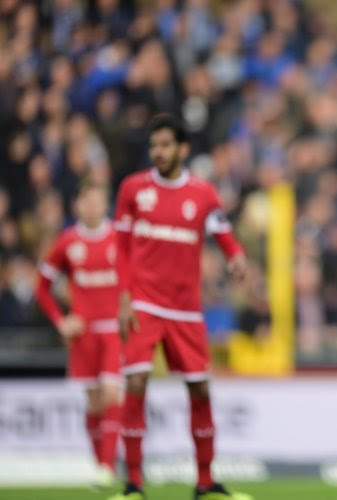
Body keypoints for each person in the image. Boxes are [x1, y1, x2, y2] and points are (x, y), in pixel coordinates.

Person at [110, 114, 252, 500]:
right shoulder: (133, 190)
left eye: (165, 145)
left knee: (201, 391)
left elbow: (224, 234)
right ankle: (133, 484)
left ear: (182, 149)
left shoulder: (203, 193)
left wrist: (237, 257)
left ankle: (205, 482)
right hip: (143, 302)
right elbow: (120, 248)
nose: (158, 152)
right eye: (154, 145)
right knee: (136, 382)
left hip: (186, 309)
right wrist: (123, 297)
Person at [35, 181, 121, 488]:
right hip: (82, 332)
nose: (93, 207)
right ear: (78, 206)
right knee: (95, 401)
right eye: (88, 202)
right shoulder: (66, 242)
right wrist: (61, 321)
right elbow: (42, 287)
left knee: (112, 392)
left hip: (113, 329)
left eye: (99, 201)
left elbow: (139, 277)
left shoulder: (120, 238)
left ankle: (108, 468)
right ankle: (99, 463)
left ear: (105, 204)